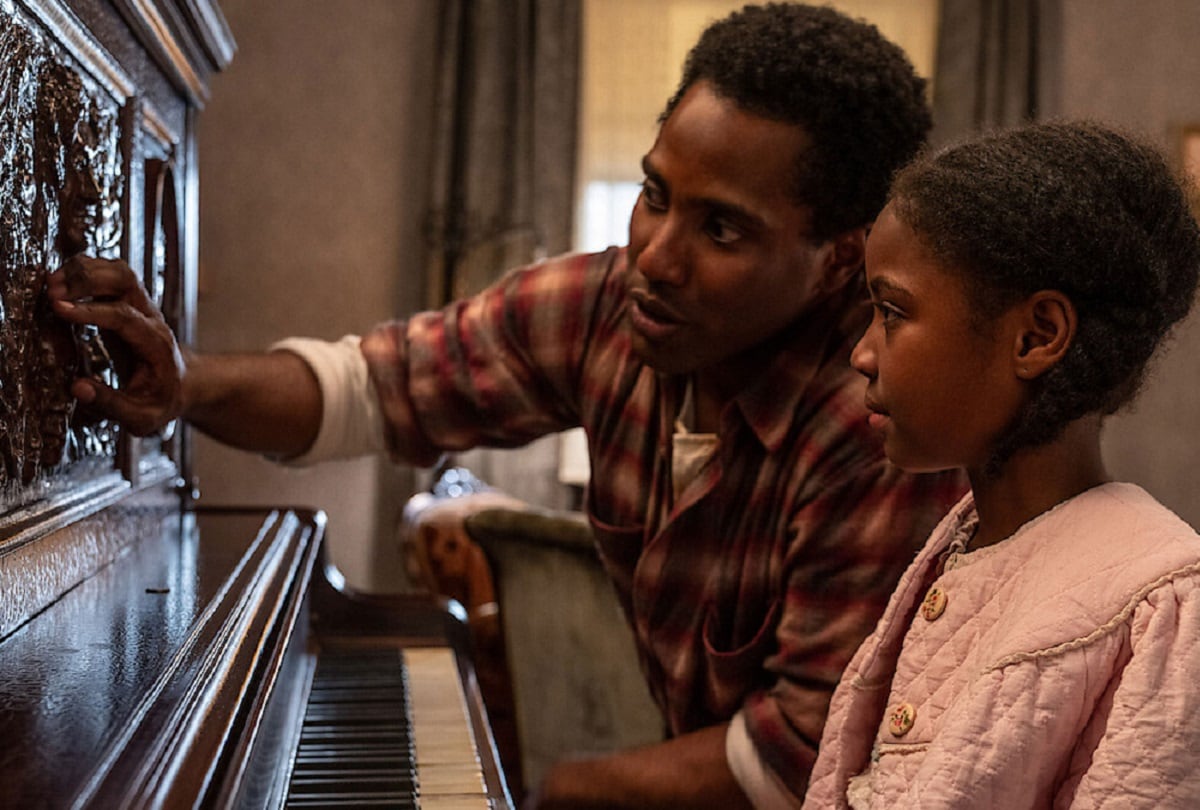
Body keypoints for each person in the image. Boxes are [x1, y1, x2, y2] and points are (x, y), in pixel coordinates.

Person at [48, 4, 965, 807]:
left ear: (839, 260)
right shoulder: (611, 307)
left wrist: (556, 790)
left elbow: (802, 759)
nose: (654, 256)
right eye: (655, 195)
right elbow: (367, 389)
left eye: (720, 228)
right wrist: (186, 381)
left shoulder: (883, 424)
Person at [802, 121, 1200, 808]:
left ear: (1037, 335)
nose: (862, 354)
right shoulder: (959, 545)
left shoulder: (1164, 602)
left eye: (892, 312)